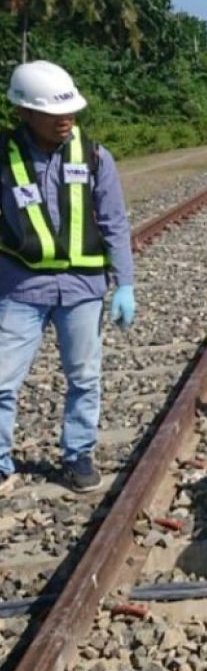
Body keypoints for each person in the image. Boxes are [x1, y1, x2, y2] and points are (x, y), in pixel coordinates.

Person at [0, 61, 136, 495]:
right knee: (1, 381)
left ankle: (78, 453)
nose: (65, 120)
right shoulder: (3, 156)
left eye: (71, 112)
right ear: (23, 112)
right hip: (20, 289)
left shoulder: (95, 156)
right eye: (53, 113)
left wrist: (125, 283)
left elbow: (114, 221)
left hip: (81, 290)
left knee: (84, 376)